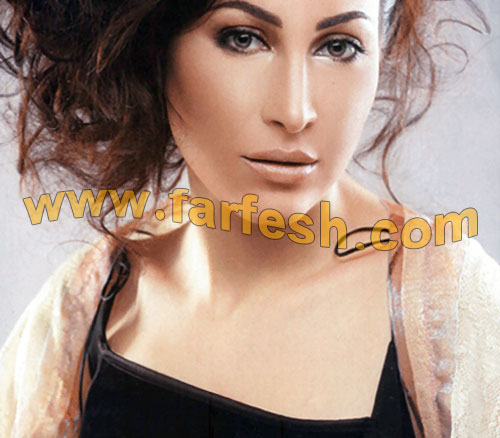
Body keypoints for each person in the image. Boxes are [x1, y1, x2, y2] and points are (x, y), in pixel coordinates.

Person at [0, 0, 498, 437]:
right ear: (153, 44)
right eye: (243, 38)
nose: (295, 111)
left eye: (339, 47)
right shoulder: (79, 311)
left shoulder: (458, 320)